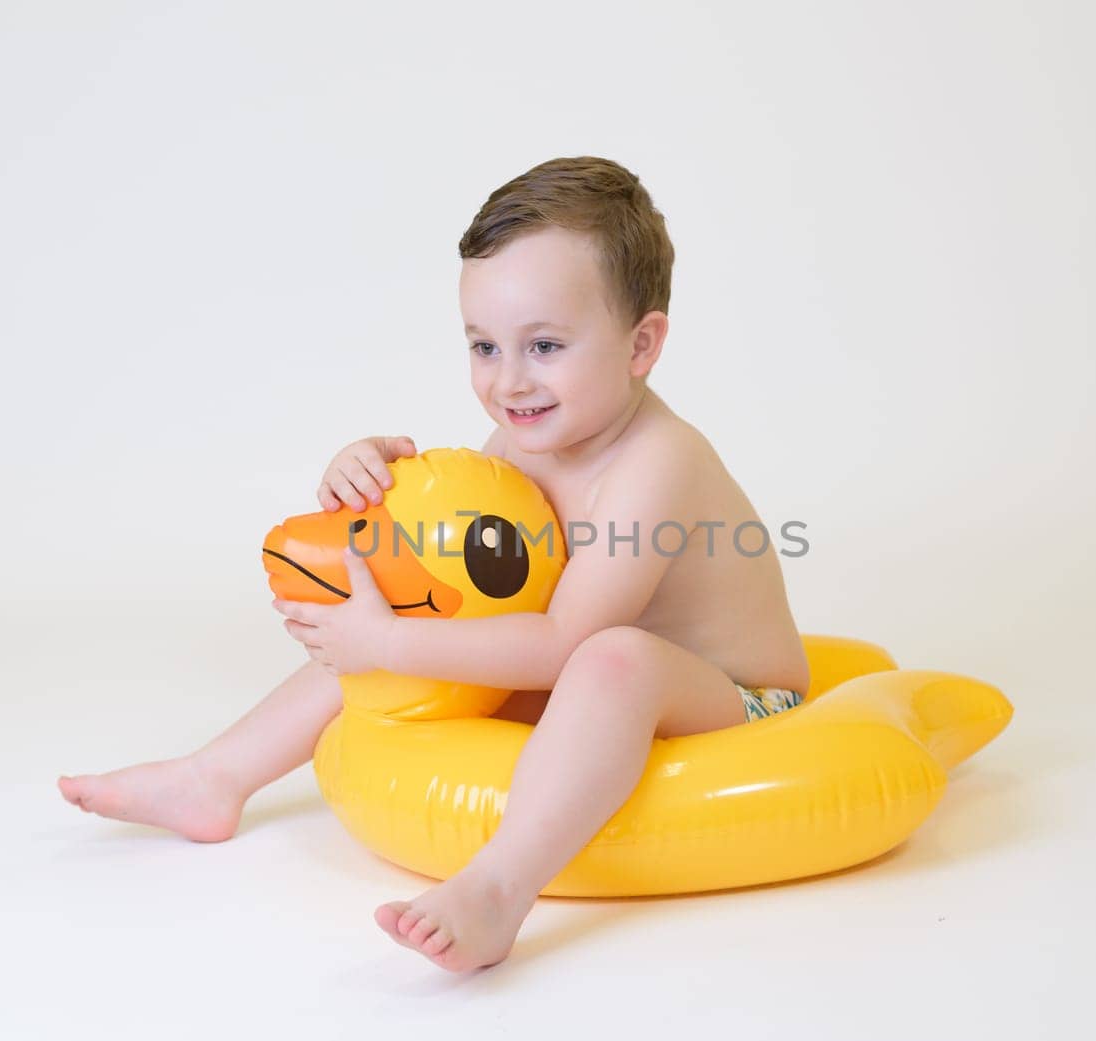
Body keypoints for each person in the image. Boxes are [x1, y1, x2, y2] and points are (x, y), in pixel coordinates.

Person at [58, 155, 810, 972]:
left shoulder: (655, 462)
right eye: (484, 345)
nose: (508, 380)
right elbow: (456, 581)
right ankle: (213, 778)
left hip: (739, 698)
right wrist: (367, 487)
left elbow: (564, 640)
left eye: (546, 345)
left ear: (642, 345)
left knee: (608, 657)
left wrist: (388, 646)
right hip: (588, 675)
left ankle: (496, 891)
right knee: (409, 621)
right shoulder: (522, 441)